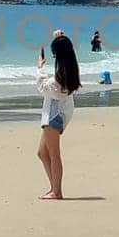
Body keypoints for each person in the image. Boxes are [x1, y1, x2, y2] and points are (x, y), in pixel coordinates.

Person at [36, 31, 81, 200]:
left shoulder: (59, 78)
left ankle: (57, 191)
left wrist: (40, 67)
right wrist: (58, 38)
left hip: (54, 115)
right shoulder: (68, 70)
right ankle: (54, 188)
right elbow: (64, 49)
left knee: (54, 154)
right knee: (42, 153)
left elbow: (42, 86)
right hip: (58, 113)